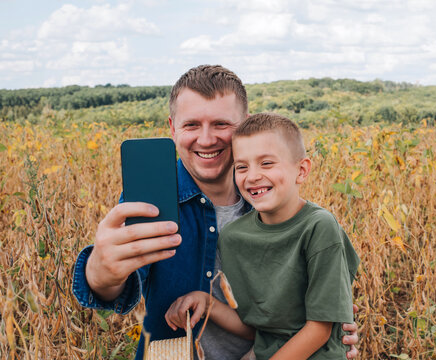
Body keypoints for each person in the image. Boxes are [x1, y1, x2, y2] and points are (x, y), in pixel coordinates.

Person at [71, 65, 360, 360]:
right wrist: (100, 273)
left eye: (221, 124)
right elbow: (116, 286)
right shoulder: (152, 202)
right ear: (172, 128)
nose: (206, 139)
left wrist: (330, 332)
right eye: (191, 125)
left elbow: (308, 314)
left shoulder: (272, 202)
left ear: (245, 125)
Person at [165, 113, 360, 359]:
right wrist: (208, 302)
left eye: (266, 163)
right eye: (242, 167)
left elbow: (320, 329)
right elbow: (254, 328)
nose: (253, 175)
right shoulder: (234, 237)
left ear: (301, 171)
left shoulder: (319, 227)